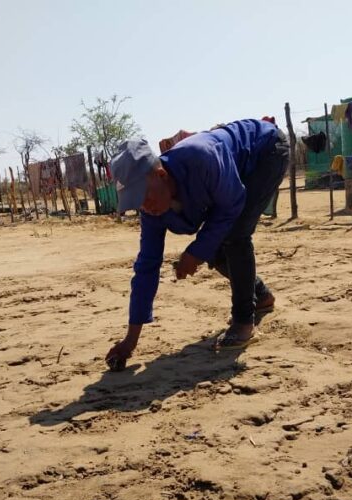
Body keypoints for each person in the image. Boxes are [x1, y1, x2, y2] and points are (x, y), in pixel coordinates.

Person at [105, 118, 289, 366]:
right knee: (213, 248)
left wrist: (194, 253)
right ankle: (261, 295)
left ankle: (244, 322)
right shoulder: (151, 213)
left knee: (234, 234)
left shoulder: (201, 158)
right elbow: (147, 266)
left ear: (161, 175)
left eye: (144, 196)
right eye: (136, 202)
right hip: (232, 175)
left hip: (265, 151)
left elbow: (232, 204)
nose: (144, 207)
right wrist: (130, 340)